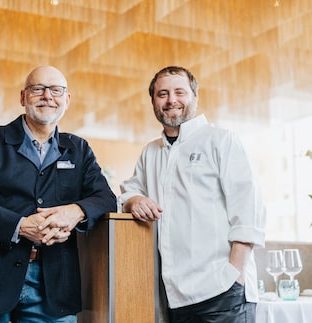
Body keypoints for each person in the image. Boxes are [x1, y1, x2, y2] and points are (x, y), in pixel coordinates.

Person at [0, 65, 117, 322]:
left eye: (56, 90)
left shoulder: (79, 149)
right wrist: (20, 226)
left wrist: (75, 211)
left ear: (66, 100)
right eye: (38, 89)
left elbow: (105, 198)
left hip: (52, 285)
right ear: (23, 98)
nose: (48, 96)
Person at [118, 66, 266, 323]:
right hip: (174, 297)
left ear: (195, 97)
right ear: (153, 101)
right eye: (162, 94)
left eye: (179, 92)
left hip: (222, 292)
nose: (171, 100)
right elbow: (130, 190)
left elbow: (249, 209)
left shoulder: (221, 140)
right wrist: (135, 200)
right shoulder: (149, 152)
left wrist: (234, 273)